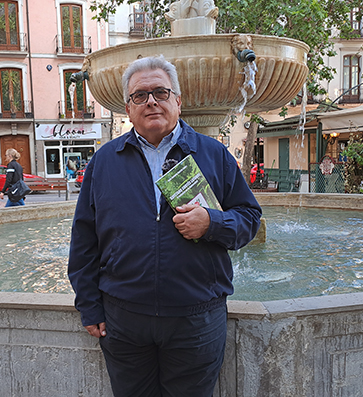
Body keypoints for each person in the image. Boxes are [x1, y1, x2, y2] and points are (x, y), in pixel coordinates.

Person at [68, 55, 262, 396]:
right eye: (139, 96)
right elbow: (84, 240)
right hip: (123, 319)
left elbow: (249, 217)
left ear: (178, 101)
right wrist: (88, 304)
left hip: (196, 319)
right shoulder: (104, 161)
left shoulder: (214, 154)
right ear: (128, 109)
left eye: (160, 92)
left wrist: (212, 223)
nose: (151, 101)